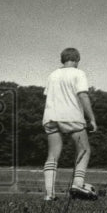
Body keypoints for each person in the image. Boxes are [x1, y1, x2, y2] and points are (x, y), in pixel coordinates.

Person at [42, 47, 98, 201]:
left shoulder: (52, 74)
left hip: (50, 117)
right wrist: (91, 118)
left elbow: (48, 96)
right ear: (77, 59)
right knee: (84, 150)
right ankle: (78, 184)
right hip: (72, 116)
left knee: (52, 155)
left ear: (63, 60)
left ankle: (49, 194)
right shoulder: (79, 73)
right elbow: (83, 95)